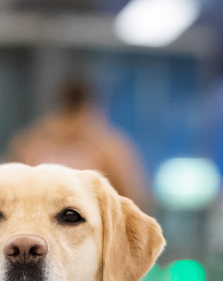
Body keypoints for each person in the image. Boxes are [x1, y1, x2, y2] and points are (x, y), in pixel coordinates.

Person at [8, 78, 147, 205]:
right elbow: (133, 198)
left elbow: (9, 192)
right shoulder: (108, 147)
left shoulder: (29, 142)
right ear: (91, 106)